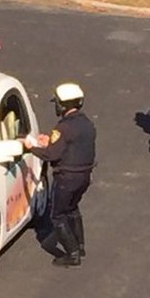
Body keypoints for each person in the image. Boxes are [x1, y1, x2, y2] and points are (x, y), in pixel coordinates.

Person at [24, 83, 96, 267]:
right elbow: (71, 146)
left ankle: (72, 254)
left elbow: (52, 155)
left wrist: (31, 147)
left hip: (66, 178)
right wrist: (50, 142)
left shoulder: (63, 127)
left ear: (62, 105)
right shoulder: (86, 123)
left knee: (57, 215)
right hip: (84, 177)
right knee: (72, 208)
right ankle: (80, 245)